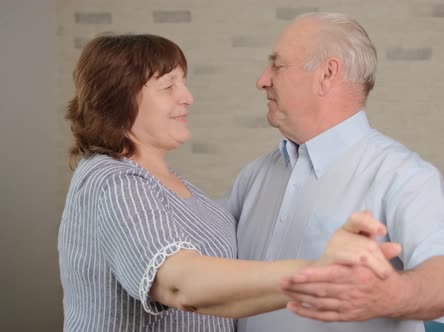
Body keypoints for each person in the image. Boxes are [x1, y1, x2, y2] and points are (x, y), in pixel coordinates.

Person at [58, 33, 399, 332]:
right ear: (117, 100)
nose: (188, 97)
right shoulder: (111, 180)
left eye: (184, 82)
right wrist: (315, 272)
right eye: (168, 86)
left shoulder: (180, 187)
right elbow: (182, 286)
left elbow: (223, 298)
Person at [219, 12, 444, 332]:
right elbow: (202, 260)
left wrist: (389, 295)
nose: (262, 79)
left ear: (327, 74)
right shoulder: (253, 177)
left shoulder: (404, 176)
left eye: (277, 65)